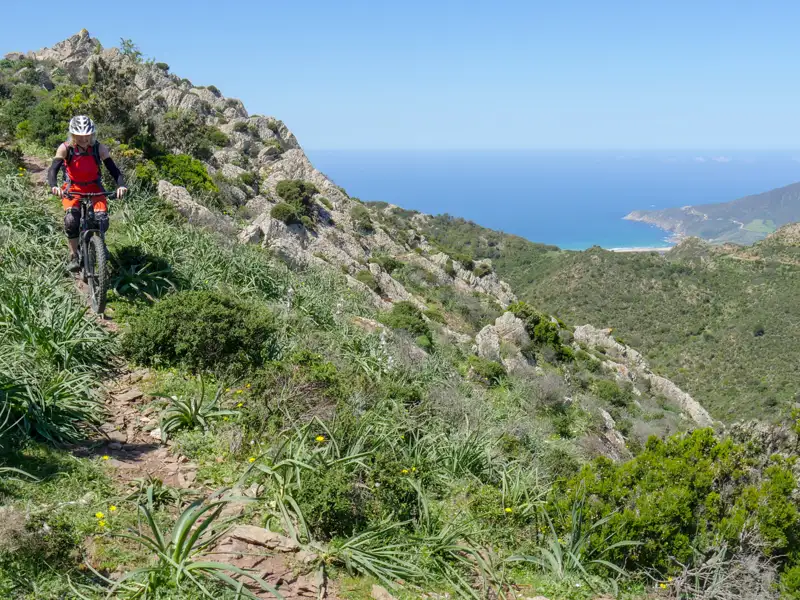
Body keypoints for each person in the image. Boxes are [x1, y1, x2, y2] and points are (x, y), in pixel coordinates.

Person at [47, 115, 127, 272]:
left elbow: (114, 170)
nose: (84, 139)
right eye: (79, 136)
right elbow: (53, 170)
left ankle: (99, 246)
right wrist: (54, 186)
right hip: (73, 189)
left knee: (101, 220)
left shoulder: (99, 148)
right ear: (73, 135)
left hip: (95, 188)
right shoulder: (65, 148)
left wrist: (121, 185)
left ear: (92, 134)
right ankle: (73, 256)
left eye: (87, 135)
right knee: (71, 221)